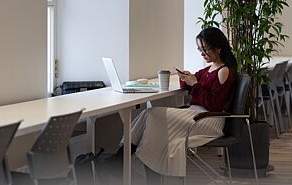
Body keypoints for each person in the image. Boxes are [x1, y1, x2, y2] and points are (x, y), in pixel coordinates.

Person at [98, 27, 237, 184]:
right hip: (196, 114)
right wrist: (186, 78)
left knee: (153, 115)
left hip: (209, 119)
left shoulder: (223, 71)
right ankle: (120, 160)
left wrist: (195, 84)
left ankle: (120, 162)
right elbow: (191, 85)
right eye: (200, 50)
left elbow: (215, 105)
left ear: (218, 48)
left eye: (205, 50)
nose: (202, 54)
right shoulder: (209, 69)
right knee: (149, 116)